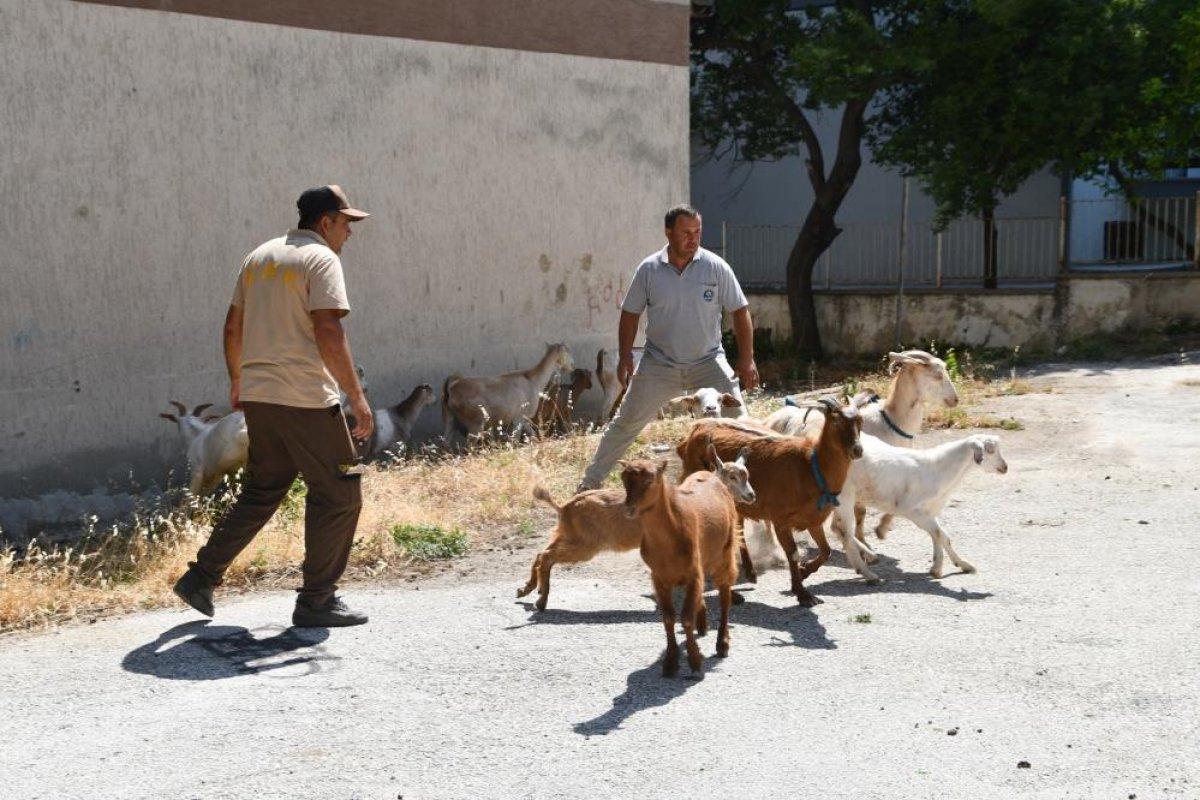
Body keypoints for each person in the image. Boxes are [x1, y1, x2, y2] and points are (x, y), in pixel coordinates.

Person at [172, 185, 375, 627]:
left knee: (264, 490)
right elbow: (328, 329)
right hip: (305, 399)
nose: (349, 233)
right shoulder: (322, 259)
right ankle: (317, 601)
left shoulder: (259, 257)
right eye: (345, 223)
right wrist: (356, 397)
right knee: (340, 494)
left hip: (261, 398)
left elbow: (232, 325)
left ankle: (200, 577)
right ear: (325, 222)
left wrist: (238, 380)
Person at [577, 204, 759, 492]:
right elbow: (630, 314)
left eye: (697, 232)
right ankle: (588, 484)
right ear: (669, 232)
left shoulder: (716, 267)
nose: (693, 238)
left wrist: (747, 359)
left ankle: (755, 489)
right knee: (625, 423)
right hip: (659, 364)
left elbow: (740, 311)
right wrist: (625, 356)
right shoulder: (649, 269)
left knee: (742, 425)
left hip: (708, 361)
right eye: (686, 232)